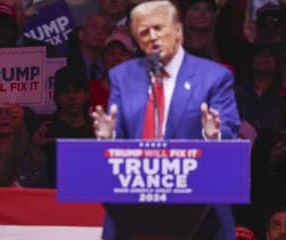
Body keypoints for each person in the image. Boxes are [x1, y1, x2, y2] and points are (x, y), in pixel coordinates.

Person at [91, 1, 240, 239]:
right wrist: (109, 137)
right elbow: (117, 137)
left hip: (199, 212)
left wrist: (213, 137)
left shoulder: (214, 76)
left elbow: (229, 136)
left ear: (178, 30)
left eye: (158, 28)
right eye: (143, 31)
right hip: (134, 209)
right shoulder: (123, 76)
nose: (152, 37)